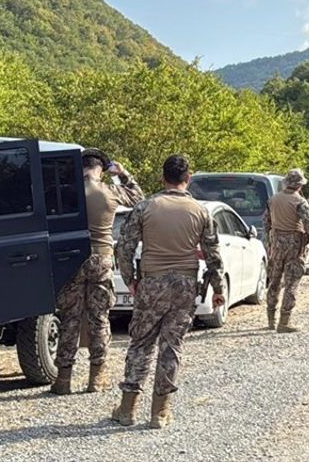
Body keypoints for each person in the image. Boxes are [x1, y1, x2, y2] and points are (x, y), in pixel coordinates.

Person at [112, 154, 225, 428]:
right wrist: (218, 289)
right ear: (188, 179)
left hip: (152, 283)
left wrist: (130, 280)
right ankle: (159, 413)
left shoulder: (146, 206)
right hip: (185, 285)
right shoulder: (200, 211)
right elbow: (213, 255)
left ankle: (127, 410)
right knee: (171, 347)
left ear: (163, 178)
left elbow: (124, 247)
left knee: (141, 344)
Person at [52, 149, 144, 395]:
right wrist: (123, 174)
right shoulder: (109, 191)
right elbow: (139, 198)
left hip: (71, 258)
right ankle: (96, 377)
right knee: (99, 318)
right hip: (101, 258)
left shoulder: (66, 191)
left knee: (69, 318)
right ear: (101, 170)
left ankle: (63, 379)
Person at [263, 169, 309, 332]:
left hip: (277, 243)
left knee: (274, 281)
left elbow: (266, 223)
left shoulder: (273, 199)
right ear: (299, 185)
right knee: (291, 282)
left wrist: (270, 242)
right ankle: (284, 322)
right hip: (294, 244)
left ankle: (271, 320)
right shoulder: (299, 201)